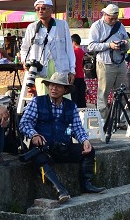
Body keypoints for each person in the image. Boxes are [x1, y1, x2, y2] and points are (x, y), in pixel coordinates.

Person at [18, 72, 104, 203]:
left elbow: (77, 128)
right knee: (38, 158)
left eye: (58, 86)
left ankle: (86, 185)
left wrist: (85, 140)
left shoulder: (71, 106)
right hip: (43, 147)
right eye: (52, 85)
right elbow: (24, 123)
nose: (54, 88)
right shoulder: (37, 102)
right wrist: (34, 134)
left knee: (89, 150)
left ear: (65, 90)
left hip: (63, 147)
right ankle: (59, 189)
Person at [20, 0, 75, 104]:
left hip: (60, 67)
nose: (40, 11)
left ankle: (63, 119)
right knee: (44, 98)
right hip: (41, 68)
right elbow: (25, 48)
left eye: (44, 8)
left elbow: (69, 48)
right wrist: (24, 62)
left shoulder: (62, 25)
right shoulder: (32, 27)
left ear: (51, 10)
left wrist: (72, 70)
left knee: (63, 98)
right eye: (38, 9)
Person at [86, 3, 130, 125]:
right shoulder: (97, 26)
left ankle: (119, 120)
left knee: (123, 92)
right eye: (111, 18)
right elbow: (91, 46)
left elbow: (128, 43)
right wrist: (109, 45)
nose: (113, 20)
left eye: (116, 18)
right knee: (103, 93)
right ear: (104, 14)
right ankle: (104, 120)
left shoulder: (120, 26)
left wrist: (124, 44)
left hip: (120, 62)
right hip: (105, 63)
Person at [70, 33, 88, 108]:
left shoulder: (73, 52)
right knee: (81, 98)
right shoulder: (83, 52)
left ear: (73, 42)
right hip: (82, 78)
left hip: (74, 77)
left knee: (74, 98)